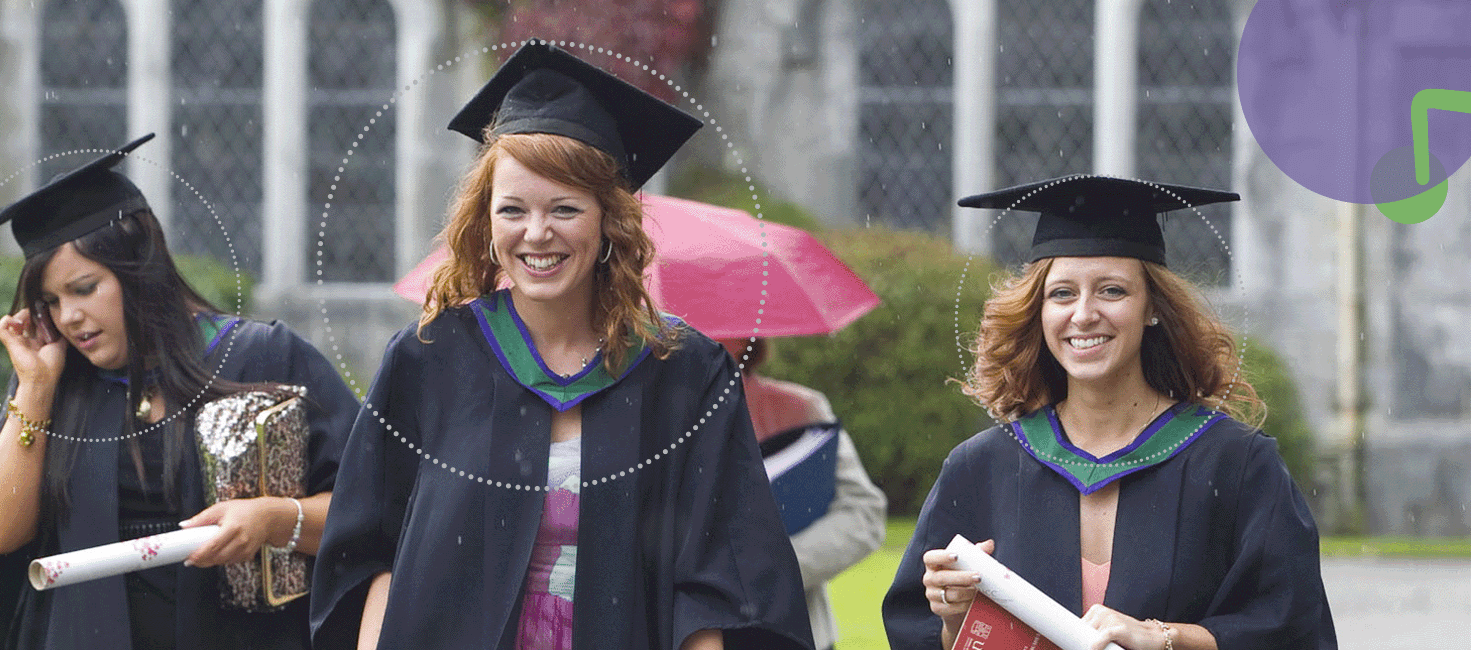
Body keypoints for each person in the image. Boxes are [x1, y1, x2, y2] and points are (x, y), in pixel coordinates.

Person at [309, 41, 812, 650]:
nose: (536, 233)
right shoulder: (428, 360)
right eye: (512, 209)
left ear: (610, 220)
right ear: (486, 221)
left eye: (565, 208)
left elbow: (721, 581)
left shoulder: (683, 374)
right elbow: (370, 554)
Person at [880, 175, 1338, 650]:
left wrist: (1163, 637)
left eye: (1112, 291)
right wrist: (955, 619)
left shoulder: (1235, 464)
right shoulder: (980, 469)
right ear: (1038, 311)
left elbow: (1293, 629)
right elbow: (920, 635)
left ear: (1152, 308)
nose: (1083, 314)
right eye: (1061, 294)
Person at [0, 134, 359, 650]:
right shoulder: (57, 383)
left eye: (84, 288)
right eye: (50, 300)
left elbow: (374, 510)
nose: (68, 316)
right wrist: (35, 387)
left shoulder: (258, 356)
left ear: (139, 268)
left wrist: (273, 519)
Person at [718, 337, 886, 650]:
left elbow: (863, 515)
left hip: (794, 632)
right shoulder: (650, 418)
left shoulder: (799, 408)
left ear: (745, 339)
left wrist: (775, 565)